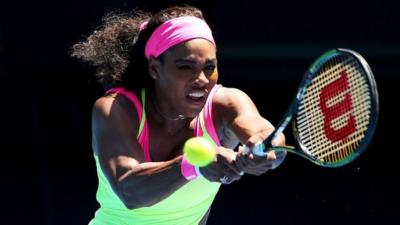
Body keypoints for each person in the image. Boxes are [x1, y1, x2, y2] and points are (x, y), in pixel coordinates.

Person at [71, 5, 286, 225]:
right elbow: (130, 191)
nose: (202, 79)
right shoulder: (115, 109)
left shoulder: (227, 103)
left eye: (209, 67)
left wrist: (266, 151)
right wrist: (193, 165)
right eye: (185, 67)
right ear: (154, 68)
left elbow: (265, 133)